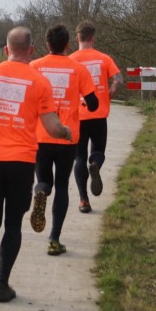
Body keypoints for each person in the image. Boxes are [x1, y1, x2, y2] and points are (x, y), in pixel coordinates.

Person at [0, 26, 72, 303]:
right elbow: (52, 127)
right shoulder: (39, 82)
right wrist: (65, 132)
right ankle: (1, 286)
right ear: (32, 50)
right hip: (21, 161)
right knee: (13, 225)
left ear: (5, 50)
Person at [29, 24, 98, 255]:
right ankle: (54, 239)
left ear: (47, 44)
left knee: (44, 180)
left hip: (41, 135)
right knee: (62, 186)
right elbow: (94, 104)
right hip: (68, 137)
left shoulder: (34, 67)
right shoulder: (78, 69)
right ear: (68, 45)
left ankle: (40, 191)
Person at [69, 20, 124, 214]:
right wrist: (109, 94)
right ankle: (95, 165)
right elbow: (119, 80)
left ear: (77, 37)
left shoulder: (71, 60)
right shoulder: (104, 58)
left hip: (78, 116)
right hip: (99, 114)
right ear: (93, 38)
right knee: (98, 150)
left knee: (79, 157)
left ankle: (83, 201)